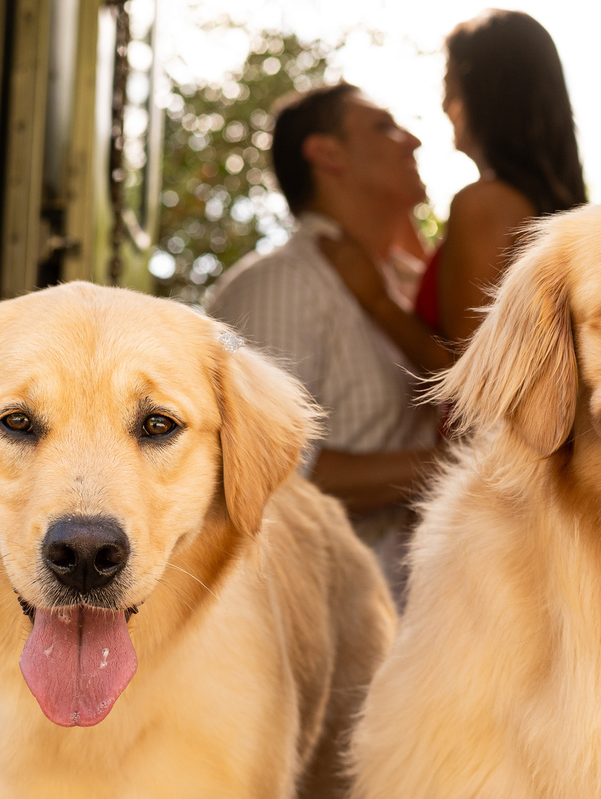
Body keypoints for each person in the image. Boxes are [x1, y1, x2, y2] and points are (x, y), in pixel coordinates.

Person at [205, 82, 440, 592]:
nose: (413, 140)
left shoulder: (398, 288)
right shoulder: (280, 283)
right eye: (385, 126)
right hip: (324, 638)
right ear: (327, 153)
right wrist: (457, 464)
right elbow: (275, 473)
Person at [319, 9, 588, 373]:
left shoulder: (484, 203)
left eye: (449, 84)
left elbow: (464, 369)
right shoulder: (546, 205)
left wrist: (377, 300)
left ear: (483, 94)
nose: (444, 105)